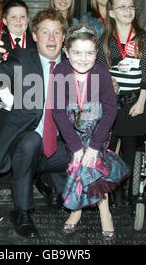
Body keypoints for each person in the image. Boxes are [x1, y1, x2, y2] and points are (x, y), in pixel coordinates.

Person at [0, 9, 69, 238]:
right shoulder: (23, 59)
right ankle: (21, 210)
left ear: (64, 36)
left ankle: (55, 184)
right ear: (34, 36)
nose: (52, 38)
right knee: (31, 142)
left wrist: (108, 85)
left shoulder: (75, 63)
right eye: (45, 32)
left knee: (86, 149)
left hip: (60, 147)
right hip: (26, 144)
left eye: (57, 32)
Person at [52, 24, 130, 240]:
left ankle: (95, 212)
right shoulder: (60, 71)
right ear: (66, 52)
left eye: (89, 53)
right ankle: (84, 211)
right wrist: (75, 146)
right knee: (78, 162)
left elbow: (111, 111)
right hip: (72, 131)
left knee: (91, 164)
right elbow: (58, 111)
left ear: (97, 53)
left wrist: (94, 146)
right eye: (76, 52)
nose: (83, 58)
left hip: (98, 130)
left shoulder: (102, 72)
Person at [97, 0, 146, 205]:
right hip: (112, 99)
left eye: (131, 6)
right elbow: (103, 70)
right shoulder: (105, 40)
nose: (128, 10)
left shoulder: (143, 37)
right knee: (110, 143)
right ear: (111, 13)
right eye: (122, 7)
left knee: (130, 144)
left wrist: (141, 101)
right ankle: (112, 186)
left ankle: (128, 187)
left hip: (135, 100)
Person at [0, 0, 36, 201]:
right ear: (5, 20)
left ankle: (30, 177)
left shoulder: (37, 42)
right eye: (13, 17)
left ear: (28, 20)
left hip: (31, 96)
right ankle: (3, 179)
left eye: (22, 17)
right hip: (2, 96)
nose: (18, 21)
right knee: (5, 122)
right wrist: (11, 101)